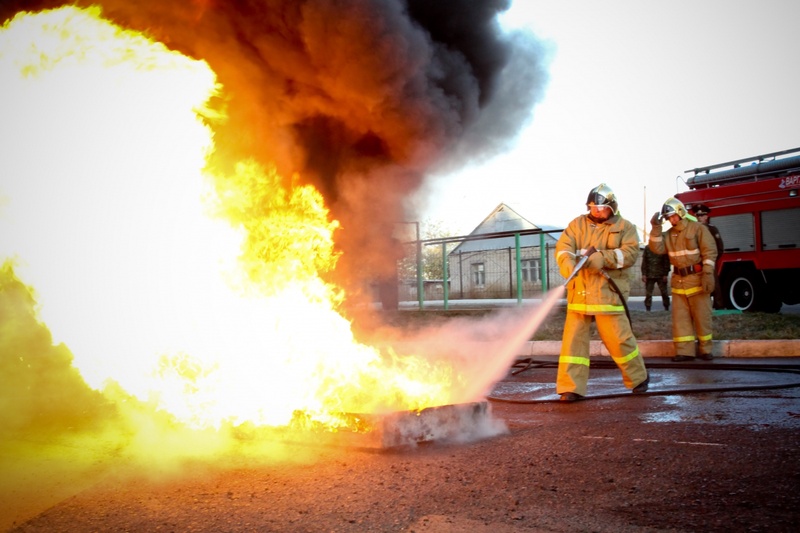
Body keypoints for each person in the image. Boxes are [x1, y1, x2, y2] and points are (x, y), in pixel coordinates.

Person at [555, 183, 649, 402]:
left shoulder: (626, 227)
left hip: (608, 294)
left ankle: (638, 378)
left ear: (612, 207)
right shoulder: (577, 225)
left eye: (601, 208)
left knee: (620, 340)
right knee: (573, 344)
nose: (596, 211)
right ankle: (571, 388)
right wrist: (566, 263)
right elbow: (563, 248)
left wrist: (604, 258)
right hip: (580, 293)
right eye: (592, 207)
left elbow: (630, 254)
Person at [649, 197, 718, 362]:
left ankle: (705, 349)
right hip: (679, 282)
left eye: (673, 216)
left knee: (703, 317)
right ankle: (684, 352)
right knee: (681, 320)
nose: (671, 220)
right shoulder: (668, 234)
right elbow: (656, 248)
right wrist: (656, 227)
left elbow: (710, 251)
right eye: (669, 218)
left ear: (680, 212)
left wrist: (708, 274)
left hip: (697, 280)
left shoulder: (697, 228)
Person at [693, 204, 725, 309]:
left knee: (713, 283)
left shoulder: (712, 229)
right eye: (698, 216)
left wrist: (712, 260)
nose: (700, 218)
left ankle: (718, 305)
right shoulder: (692, 231)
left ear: (706, 216)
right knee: (697, 285)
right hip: (696, 262)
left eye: (702, 215)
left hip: (709, 261)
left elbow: (720, 248)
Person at [641, 245, 670, 311]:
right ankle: (648, 309)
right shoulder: (647, 248)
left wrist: (665, 274)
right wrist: (644, 274)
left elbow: (666, 261)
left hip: (661, 275)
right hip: (649, 275)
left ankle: (666, 307)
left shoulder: (662, 247)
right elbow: (644, 261)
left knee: (664, 293)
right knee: (648, 294)